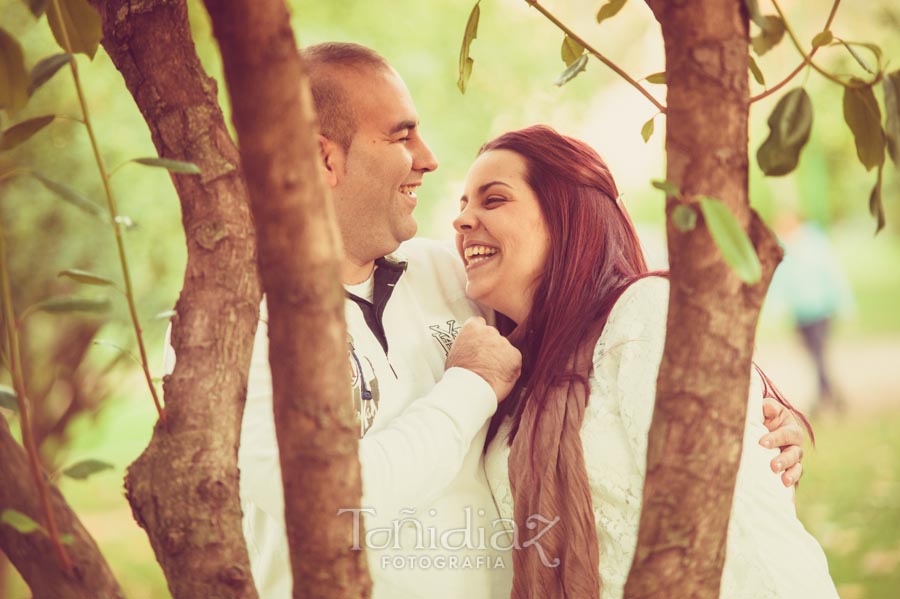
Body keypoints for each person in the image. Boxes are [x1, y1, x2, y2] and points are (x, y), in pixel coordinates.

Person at [236, 44, 807, 598]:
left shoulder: (446, 274)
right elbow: (327, 507)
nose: (429, 158)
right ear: (323, 159)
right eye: (401, 135)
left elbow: (588, 329)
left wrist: (770, 418)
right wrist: (470, 386)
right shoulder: (245, 325)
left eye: (490, 200)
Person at [453, 125, 839, 598]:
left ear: (565, 215)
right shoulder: (511, 375)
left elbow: (742, 531)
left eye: (492, 200)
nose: (464, 220)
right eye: (463, 205)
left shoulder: (644, 315)